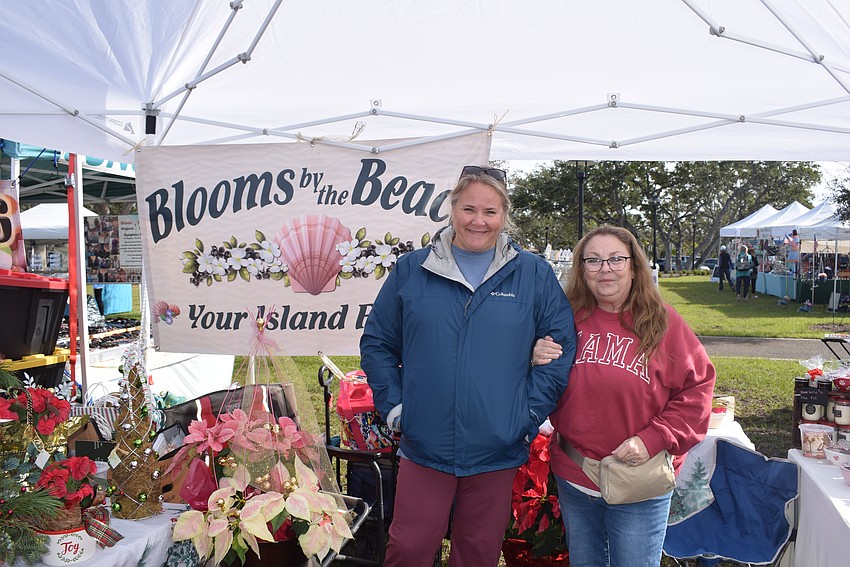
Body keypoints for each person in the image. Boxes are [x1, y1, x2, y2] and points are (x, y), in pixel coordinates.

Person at [360, 165, 578, 567]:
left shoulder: (533, 274)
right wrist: (395, 407)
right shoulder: (413, 269)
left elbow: (560, 349)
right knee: (408, 549)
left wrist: (525, 415)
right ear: (452, 208)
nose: (479, 221)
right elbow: (378, 344)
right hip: (425, 444)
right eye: (469, 209)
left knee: (477, 553)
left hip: (497, 446)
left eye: (490, 212)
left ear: (504, 216)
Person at [531, 225, 715, 567]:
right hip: (575, 476)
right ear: (581, 270)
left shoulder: (662, 323)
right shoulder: (565, 319)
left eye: (616, 259)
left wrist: (654, 438)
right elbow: (538, 385)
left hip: (639, 482)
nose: (605, 269)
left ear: (634, 267)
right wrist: (534, 354)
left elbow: (698, 388)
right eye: (594, 260)